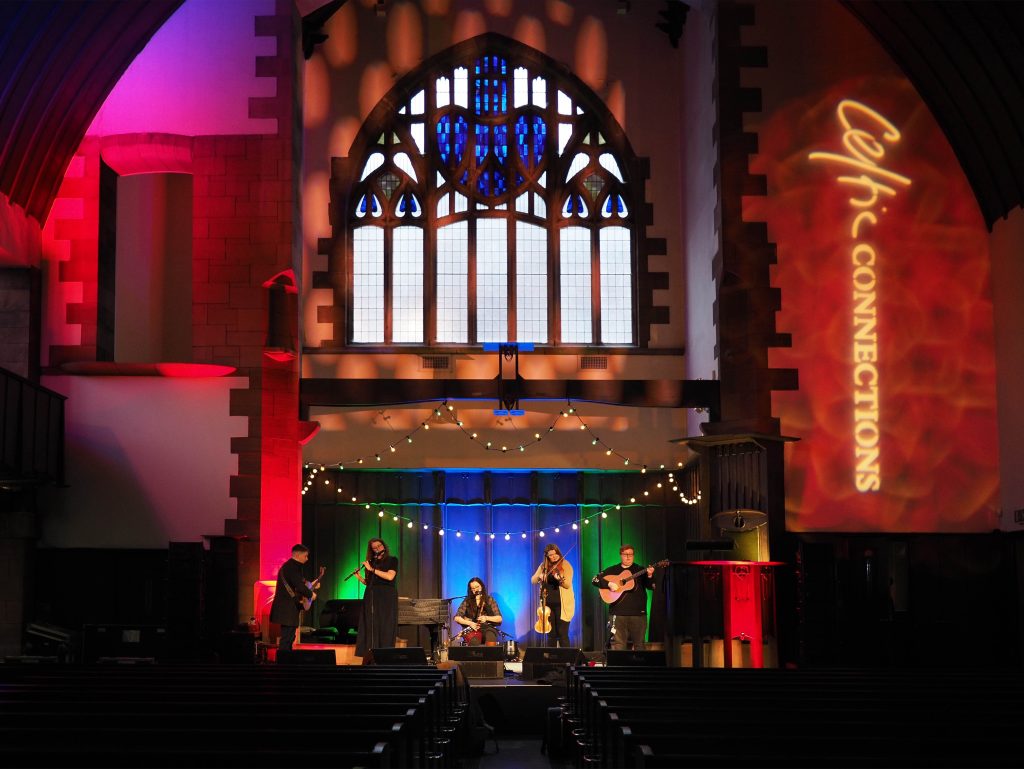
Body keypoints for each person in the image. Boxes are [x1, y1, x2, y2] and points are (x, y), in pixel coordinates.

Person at [593, 544, 654, 650]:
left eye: (631, 554)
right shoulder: (612, 570)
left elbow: (650, 586)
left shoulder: (640, 570)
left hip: (638, 614)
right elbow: (595, 579)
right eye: (625, 554)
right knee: (619, 645)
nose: (628, 557)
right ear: (620, 555)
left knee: (639, 645)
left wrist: (649, 575)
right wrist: (609, 584)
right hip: (618, 613)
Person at [269, 544, 318, 652]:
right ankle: (283, 661)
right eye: (305, 556)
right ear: (298, 555)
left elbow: (299, 583)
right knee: (287, 639)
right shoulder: (292, 568)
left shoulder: (290, 566)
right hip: (287, 609)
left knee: (289, 638)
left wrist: (312, 584)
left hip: (287, 608)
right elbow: (299, 586)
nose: (307, 559)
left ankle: (286, 659)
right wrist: (311, 594)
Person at [354, 537, 398, 659]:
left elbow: (389, 576)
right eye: (374, 548)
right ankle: (370, 656)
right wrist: (359, 577)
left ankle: (385, 656)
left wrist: (372, 569)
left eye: (379, 546)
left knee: (385, 625)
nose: (378, 549)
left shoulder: (392, 560)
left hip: (386, 596)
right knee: (371, 624)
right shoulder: (372, 562)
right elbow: (371, 582)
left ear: (383, 545)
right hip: (372, 595)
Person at [531, 543, 575, 647]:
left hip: (562, 606)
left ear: (558, 553)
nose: (554, 557)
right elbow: (533, 580)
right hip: (547, 606)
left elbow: (567, 585)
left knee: (562, 634)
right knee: (551, 634)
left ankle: (566, 657)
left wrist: (559, 579)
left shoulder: (565, 565)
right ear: (547, 556)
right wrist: (540, 576)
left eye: (555, 554)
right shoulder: (543, 566)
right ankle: (552, 656)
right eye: (550, 555)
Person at [453, 577, 503, 645]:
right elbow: (457, 618)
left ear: (482, 586)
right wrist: (470, 623)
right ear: (470, 590)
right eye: (473, 588)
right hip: (472, 629)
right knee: (474, 643)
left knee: (490, 640)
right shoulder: (467, 600)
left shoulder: (489, 599)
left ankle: (491, 652)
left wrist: (486, 618)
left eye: (477, 587)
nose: (476, 590)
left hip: (488, 628)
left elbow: (499, 618)